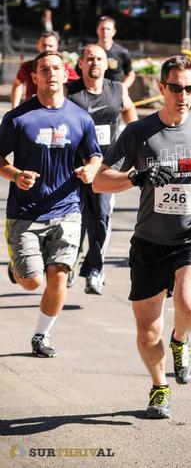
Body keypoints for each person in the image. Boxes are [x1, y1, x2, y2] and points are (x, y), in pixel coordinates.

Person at [92, 55, 191, 418]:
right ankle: (159, 387)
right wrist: (135, 178)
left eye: (190, 88)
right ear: (161, 87)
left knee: (189, 306)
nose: (183, 95)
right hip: (150, 241)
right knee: (148, 329)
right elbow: (99, 180)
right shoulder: (137, 133)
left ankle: (181, 341)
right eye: (176, 87)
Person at [0, 50, 102, 358]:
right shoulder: (18, 118)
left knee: (59, 276)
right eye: (44, 69)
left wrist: (91, 169)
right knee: (32, 282)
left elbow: (94, 155)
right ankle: (18, 271)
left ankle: (41, 336)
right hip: (25, 213)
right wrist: (15, 174)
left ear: (65, 74)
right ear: (35, 77)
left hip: (67, 209)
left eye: (57, 68)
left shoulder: (80, 118)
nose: (51, 73)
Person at [67, 43, 138, 294]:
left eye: (99, 59)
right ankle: (70, 261)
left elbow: (129, 111)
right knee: (73, 218)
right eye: (90, 59)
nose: (95, 63)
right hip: (74, 168)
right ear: (81, 64)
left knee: (101, 219)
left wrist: (135, 141)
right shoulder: (70, 92)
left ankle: (95, 270)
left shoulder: (116, 89)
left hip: (106, 168)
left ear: (106, 63)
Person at [11, 31, 79, 108]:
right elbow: (17, 84)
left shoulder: (64, 68)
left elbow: (79, 87)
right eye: (44, 45)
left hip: (55, 111)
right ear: (38, 46)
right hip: (31, 111)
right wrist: (14, 107)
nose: (47, 49)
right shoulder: (27, 67)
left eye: (50, 46)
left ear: (57, 46)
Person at [96, 16, 135, 88]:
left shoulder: (122, 52)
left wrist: (123, 88)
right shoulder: (90, 53)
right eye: (102, 28)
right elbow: (79, 74)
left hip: (114, 94)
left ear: (114, 32)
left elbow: (130, 74)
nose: (105, 32)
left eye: (108, 29)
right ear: (97, 30)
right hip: (93, 94)